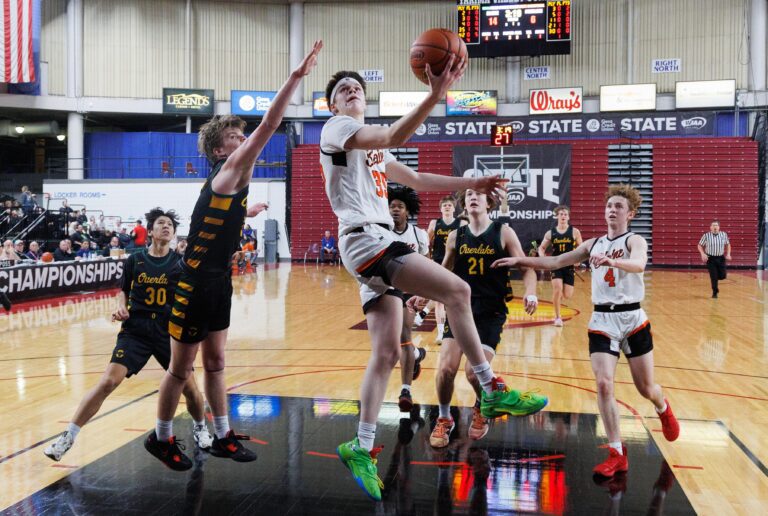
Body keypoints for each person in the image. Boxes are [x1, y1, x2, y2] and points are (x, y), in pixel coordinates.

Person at [320, 61, 542, 501]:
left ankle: (360, 445)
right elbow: (391, 135)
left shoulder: (376, 152)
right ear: (332, 104)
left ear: (367, 99)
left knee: (385, 354)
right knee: (458, 290)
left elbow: (418, 178)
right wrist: (436, 94)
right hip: (367, 240)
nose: (350, 92)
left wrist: (472, 180)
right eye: (342, 89)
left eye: (356, 88)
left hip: (372, 245)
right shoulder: (336, 129)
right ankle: (491, 387)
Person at [144, 41, 322, 471]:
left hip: (219, 279)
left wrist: (251, 211)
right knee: (180, 370)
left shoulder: (234, 187)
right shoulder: (227, 173)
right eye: (233, 137)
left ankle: (221, 434)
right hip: (194, 282)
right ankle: (162, 437)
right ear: (219, 151)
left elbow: (221, 225)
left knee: (217, 361)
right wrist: (295, 78)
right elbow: (269, 125)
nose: (243, 139)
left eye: (242, 134)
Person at [492, 184, 679, 478]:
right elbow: (555, 261)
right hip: (602, 321)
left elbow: (640, 264)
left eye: (618, 206)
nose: (612, 210)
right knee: (604, 384)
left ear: (630, 213)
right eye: (609, 206)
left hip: (633, 319)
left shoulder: (635, 240)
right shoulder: (592, 244)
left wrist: (613, 261)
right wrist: (520, 261)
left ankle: (662, 406)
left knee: (646, 388)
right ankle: (617, 451)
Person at [44, 208, 212, 462]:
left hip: (169, 332)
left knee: (189, 387)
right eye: (161, 223)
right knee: (108, 381)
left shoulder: (180, 263)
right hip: (136, 330)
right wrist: (120, 305)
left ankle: (200, 427)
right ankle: (68, 436)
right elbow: (123, 290)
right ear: (151, 231)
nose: (166, 227)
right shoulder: (135, 260)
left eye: (170, 225)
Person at [415, 189, 543, 448]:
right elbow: (443, 272)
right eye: (469, 194)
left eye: (479, 195)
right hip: (460, 309)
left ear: (489, 202)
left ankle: (482, 407)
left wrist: (530, 292)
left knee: (474, 374)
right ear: (464, 203)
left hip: (490, 312)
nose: (473, 197)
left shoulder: (503, 233)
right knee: (445, 370)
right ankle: (443, 418)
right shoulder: (455, 236)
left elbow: (527, 267)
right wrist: (423, 294)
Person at [385, 186, 429, 412]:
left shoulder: (418, 235)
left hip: (407, 291)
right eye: (392, 206)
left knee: (403, 335)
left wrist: (424, 293)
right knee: (391, 342)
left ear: (407, 210)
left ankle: (406, 391)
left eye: (400, 207)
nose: (395, 210)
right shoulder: (380, 233)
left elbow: (425, 266)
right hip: (384, 289)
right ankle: (417, 355)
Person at [414, 195, 465, 342]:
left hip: (455, 263)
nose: (447, 207)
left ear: (454, 208)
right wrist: (426, 260)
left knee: (444, 295)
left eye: (450, 205)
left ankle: (423, 313)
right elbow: (425, 243)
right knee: (439, 299)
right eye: (445, 205)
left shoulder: (461, 223)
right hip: (437, 262)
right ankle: (441, 333)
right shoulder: (434, 223)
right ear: (441, 208)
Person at [538, 205, 582, 326]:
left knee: (567, 295)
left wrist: (579, 259)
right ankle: (557, 317)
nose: (563, 216)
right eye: (561, 214)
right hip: (556, 264)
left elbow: (582, 248)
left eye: (565, 214)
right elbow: (541, 248)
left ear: (568, 217)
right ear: (557, 216)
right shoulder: (550, 233)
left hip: (569, 265)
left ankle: (556, 301)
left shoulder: (575, 231)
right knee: (557, 289)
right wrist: (543, 258)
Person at [697, 220, 731, 298]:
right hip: (711, 259)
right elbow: (699, 245)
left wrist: (728, 254)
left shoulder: (723, 234)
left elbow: (728, 244)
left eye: (716, 225)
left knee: (723, 276)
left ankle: (717, 277)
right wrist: (702, 254)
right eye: (713, 225)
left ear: (719, 227)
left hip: (721, 258)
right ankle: (715, 292)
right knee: (713, 276)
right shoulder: (706, 235)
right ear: (710, 227)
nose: (715, 227)